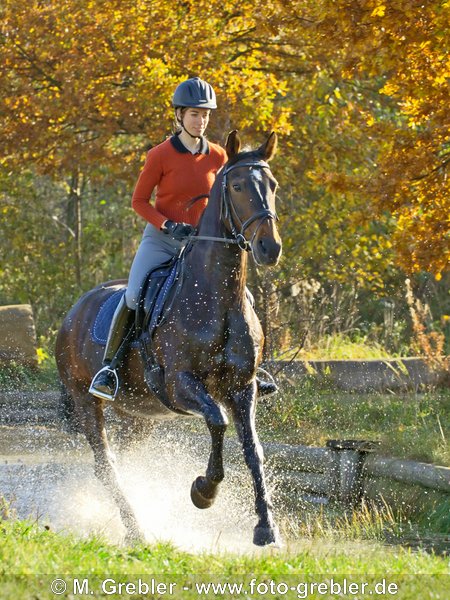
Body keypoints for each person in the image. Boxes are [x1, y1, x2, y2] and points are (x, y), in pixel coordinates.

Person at [89, 77, 277, 401]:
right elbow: (138, 202)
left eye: (205, 115)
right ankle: (110, 368)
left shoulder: (220, 156)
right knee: (134, 295)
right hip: (162, 240)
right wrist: (166, 226)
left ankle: (252, 370)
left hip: (203, 246)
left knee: (244, 297)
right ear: (179, 116)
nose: (200, 121)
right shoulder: (160, 155)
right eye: (193, 114)